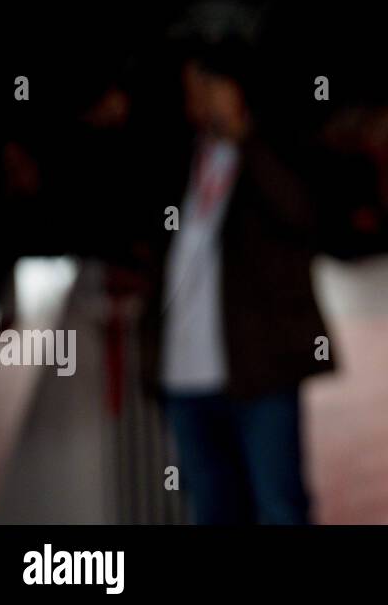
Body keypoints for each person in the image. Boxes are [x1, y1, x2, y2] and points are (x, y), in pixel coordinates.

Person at [139, 39, 337, 523]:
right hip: (184, 374)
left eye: (208, 87)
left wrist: (243, 136)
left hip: (257, 369)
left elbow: (304, 218)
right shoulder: (176, 159)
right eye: (192, 89)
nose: (199, 100)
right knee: (211, 511)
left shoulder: (276, 148)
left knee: (279, 506)